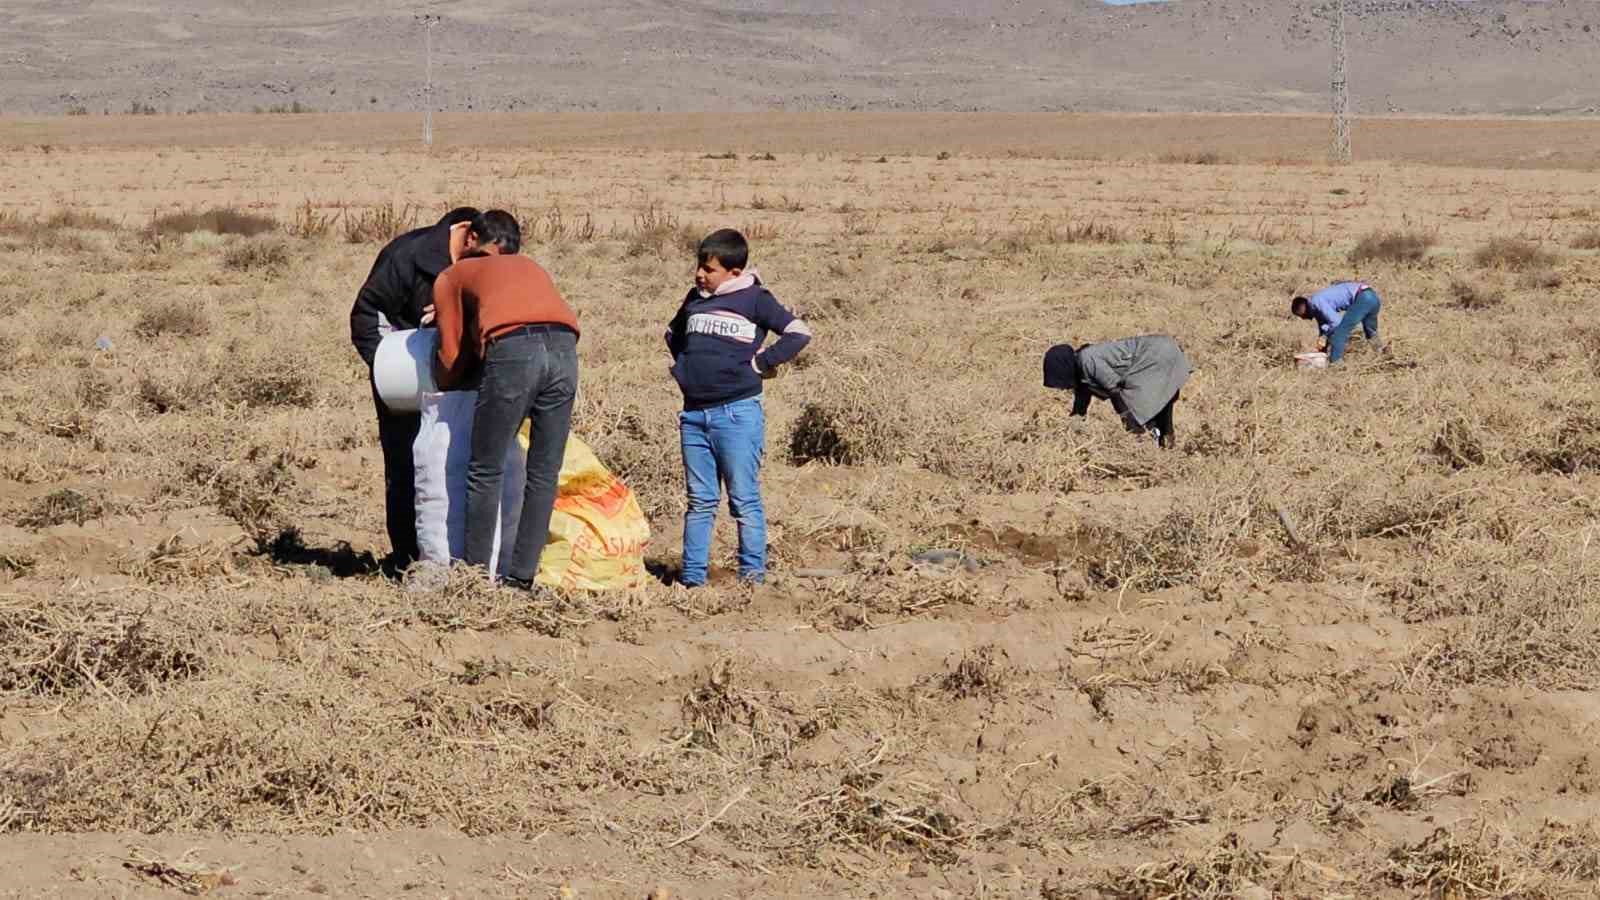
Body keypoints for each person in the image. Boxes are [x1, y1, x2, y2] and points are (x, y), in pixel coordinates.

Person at [432, 210, 581, 590]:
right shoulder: (530, 265)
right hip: (565, 350)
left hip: (515, 352)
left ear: (472, 241)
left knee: (486, 468)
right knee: (544, 472)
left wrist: (446, 379)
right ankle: (521, 578)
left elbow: (449, 357)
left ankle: (475, 579)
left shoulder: (452, 275)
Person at [666, 228, 812, 587]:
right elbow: (673, 334)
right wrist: (685, 368)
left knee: (743, 500)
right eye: (699, 266)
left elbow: (798, 332)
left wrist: (761, 365)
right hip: (694, 415)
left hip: (737, 414)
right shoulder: (694, 299)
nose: (701, 274)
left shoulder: (755, 299)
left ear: (734, 272)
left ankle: (752, 580)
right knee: (700, 502)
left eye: (710, 269)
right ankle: (693, 581)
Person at [350, 206, 483, 571]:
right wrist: (390, 363)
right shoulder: (406, 255)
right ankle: (409, 559)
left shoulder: (482, 260)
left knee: (462, 463)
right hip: (402, 380)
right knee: (406, 466)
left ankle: (461, 557)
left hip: (462, 379)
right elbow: (365, 314)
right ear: (467, 232)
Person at [1043, 336, 1190, 450]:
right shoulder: (1082, 372)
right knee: (1150, 401)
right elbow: (1080, 408)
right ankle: (1165, 439)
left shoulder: (1087, 360)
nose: (1062, 389)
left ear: (1063, 369)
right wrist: (1068, 434)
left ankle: (1156, 442)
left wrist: (1128, 421)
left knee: (1137, 403)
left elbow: (1115, 389)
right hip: (1160, 348)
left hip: (1157, 353)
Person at [1291, 281, 1384, 364]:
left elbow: (1336, 323)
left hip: (1362, 297)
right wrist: (1323, 348)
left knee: (1339, 334)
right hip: (1372, 297)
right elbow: (1324, 327)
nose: (1304, 319)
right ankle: (1383, 354)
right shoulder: (1316, 305)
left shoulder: (1316, 302)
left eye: (1302, 316)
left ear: (1303, 309)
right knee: (1371, 332)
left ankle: (1336, 366)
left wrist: (1330, 337)